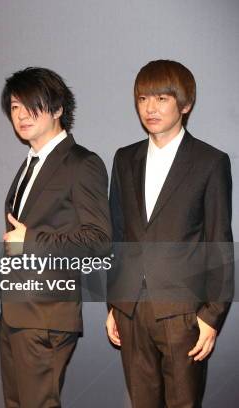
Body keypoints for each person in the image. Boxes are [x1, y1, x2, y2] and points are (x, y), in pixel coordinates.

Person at [106, 59, 234, 407]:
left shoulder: (210, 161)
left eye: (162, 98)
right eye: (143, 98)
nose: (150, 107)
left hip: (183, 314)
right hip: (131, 310)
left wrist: (211, 317)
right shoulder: (124, 159)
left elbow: (219, 242)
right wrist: (114, 303)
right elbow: (118, 236)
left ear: (185, 104)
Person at [0, 67, 111, 407]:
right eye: (14, 106)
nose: (21, 114)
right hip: (15, 311)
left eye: (32, 104)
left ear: (58, 109)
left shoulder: (81, 163)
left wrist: (31, 241)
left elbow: (98, 241)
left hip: (45, 316)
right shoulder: (31, 163)